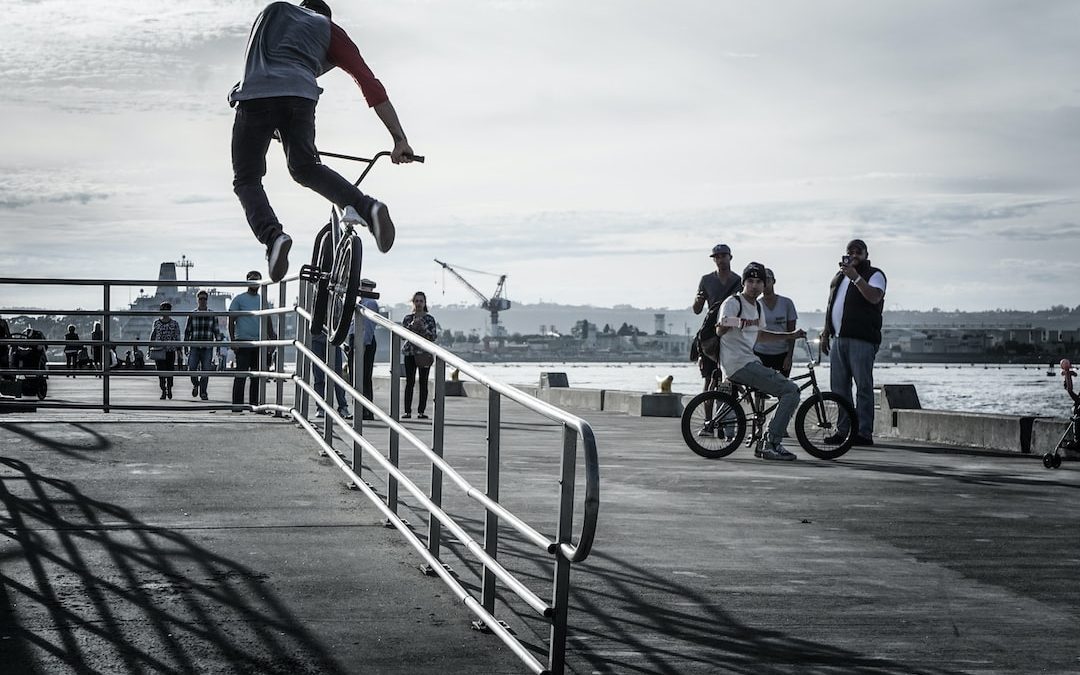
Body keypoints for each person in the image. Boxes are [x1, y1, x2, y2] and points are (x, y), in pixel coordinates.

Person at [229, 0, 417, 282]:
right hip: (300, 97)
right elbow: (370, 84)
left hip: (253, 95)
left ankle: (274, 238)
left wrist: (271, 125)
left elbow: (251, 78)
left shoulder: (271, 13)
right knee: (305, 167)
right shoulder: (328, 29)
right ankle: (369, 208)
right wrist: (399, 139)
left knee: (247, 179)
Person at [715, 263, 807, 460]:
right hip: (737, 363)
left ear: (764, 285)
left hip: (749, 361)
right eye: (750, 281)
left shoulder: (757, 306)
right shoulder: (733, 302)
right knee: (791, 391)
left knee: (782, 391)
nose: (755, 286)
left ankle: (765, 440)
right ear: (743, 283)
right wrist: (741, 322)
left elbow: (760, 336)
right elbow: (720, 326)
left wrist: (790, 335)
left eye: (759, 282)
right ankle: (770, 442)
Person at [821, 238, 887, 447]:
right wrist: (825, 331)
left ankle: (863, 433)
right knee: (839, 388)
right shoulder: (839, 277)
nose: (855, 255)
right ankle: (844, 431)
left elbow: (875, 297)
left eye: (859, 252)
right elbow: (831, 305)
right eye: (851, 252)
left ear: (866, 254)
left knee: (863, 387)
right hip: (838, 338)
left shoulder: (874, 274)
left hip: (862, 339)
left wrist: (856, 278)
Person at [691, 244, 742, 433]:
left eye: (724, 256)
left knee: (731, 381)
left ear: (730, 257)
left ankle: (726, 423)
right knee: (709, 379)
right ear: (714, 259)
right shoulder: (706, 280)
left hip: (731, 333)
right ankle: (708, 422)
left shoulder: (739, 280)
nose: (720, 259)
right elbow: (697, 310)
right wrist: (698, 299)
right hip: (710, 334)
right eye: (717, 257)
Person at [228, 271, 276, 409]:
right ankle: (237, 405)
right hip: (243, 342)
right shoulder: (239, 299)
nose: (254, 282)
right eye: (252, 280)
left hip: (259, 342)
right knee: (241, 375)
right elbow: (231, 319)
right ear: (247, 281)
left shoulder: (263, 300)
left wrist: (272, 337)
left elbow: (268, 319)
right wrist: (232, 340)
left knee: (256, 376)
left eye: (257, 280)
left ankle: (254, 405)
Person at [754, 268, 799, 377]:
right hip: (760, 353)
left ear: (773, 281)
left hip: (782, 354)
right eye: (762, 281)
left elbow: (791, 332)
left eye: (767, 280)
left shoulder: (787, 303)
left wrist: (789, 356)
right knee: (760, 391)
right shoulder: (755, 304)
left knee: (784, 389)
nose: (765, 284)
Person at [401, 291, 437, 419]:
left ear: (425, 302)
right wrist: (411, 326)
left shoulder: (429, 319)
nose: (419, 303)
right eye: (416, 301)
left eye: (421, 301)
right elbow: (402, 335)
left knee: (423, 382)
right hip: (410, 353)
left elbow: (433, 337)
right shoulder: (407, 318)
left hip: (424, 354)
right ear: (413, 302)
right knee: (409, 382)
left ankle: (421, 411)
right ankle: (407, 411)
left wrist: (423, 328)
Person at [185, 290, 224, 401]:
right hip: (194, 346)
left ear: (207, 300)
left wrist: (219, 346)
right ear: (197, 300)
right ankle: (196, 384)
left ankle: (203, 392)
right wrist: (185, 345)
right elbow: (188, 331)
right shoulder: (192, 314)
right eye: (200, 298)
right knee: (191, 368)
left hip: (207, 347)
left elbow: (216, 331)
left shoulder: (212, 314)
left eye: (204, 298)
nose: (202, 301)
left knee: (206, 370)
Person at [312, 331, 351, 419]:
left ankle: (343, 407)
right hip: (317, 340)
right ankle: (321, 407)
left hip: (334, 340)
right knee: (319, 377)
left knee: (337, 377)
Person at [149, 302, 181, 399]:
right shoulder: (156, 323)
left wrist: (179, 351)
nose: (165, 311)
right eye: (163, 309)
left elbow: (177, 337)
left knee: (170, 372)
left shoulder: (175, 324)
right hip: (158, 351)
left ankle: (169, 389)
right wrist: (150, 348)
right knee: (160, 373)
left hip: (170, 351)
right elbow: (153, 336)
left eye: (167, 309)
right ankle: (163, 390)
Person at [357, 278, 379, 420]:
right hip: (358, 340)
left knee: (364, 377)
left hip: (364, 342)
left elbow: (369, 327)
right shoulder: (360, 302)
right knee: (358, 377)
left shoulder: (369, 303)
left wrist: (364, 344)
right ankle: (362, 409)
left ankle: (366, 410)